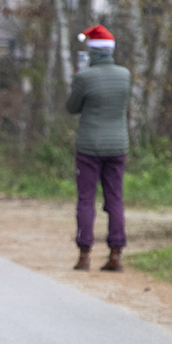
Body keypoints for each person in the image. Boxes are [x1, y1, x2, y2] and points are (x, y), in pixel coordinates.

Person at [66, 25, 131, 272]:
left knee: (86, 200)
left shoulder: (84, 77)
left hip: (89, 147)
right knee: (115, 199)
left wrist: (78, 79)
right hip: (118, 145)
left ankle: (84, 255)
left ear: (92, 52)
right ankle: (115, 254)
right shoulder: (125, 75)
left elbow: (73, 107)